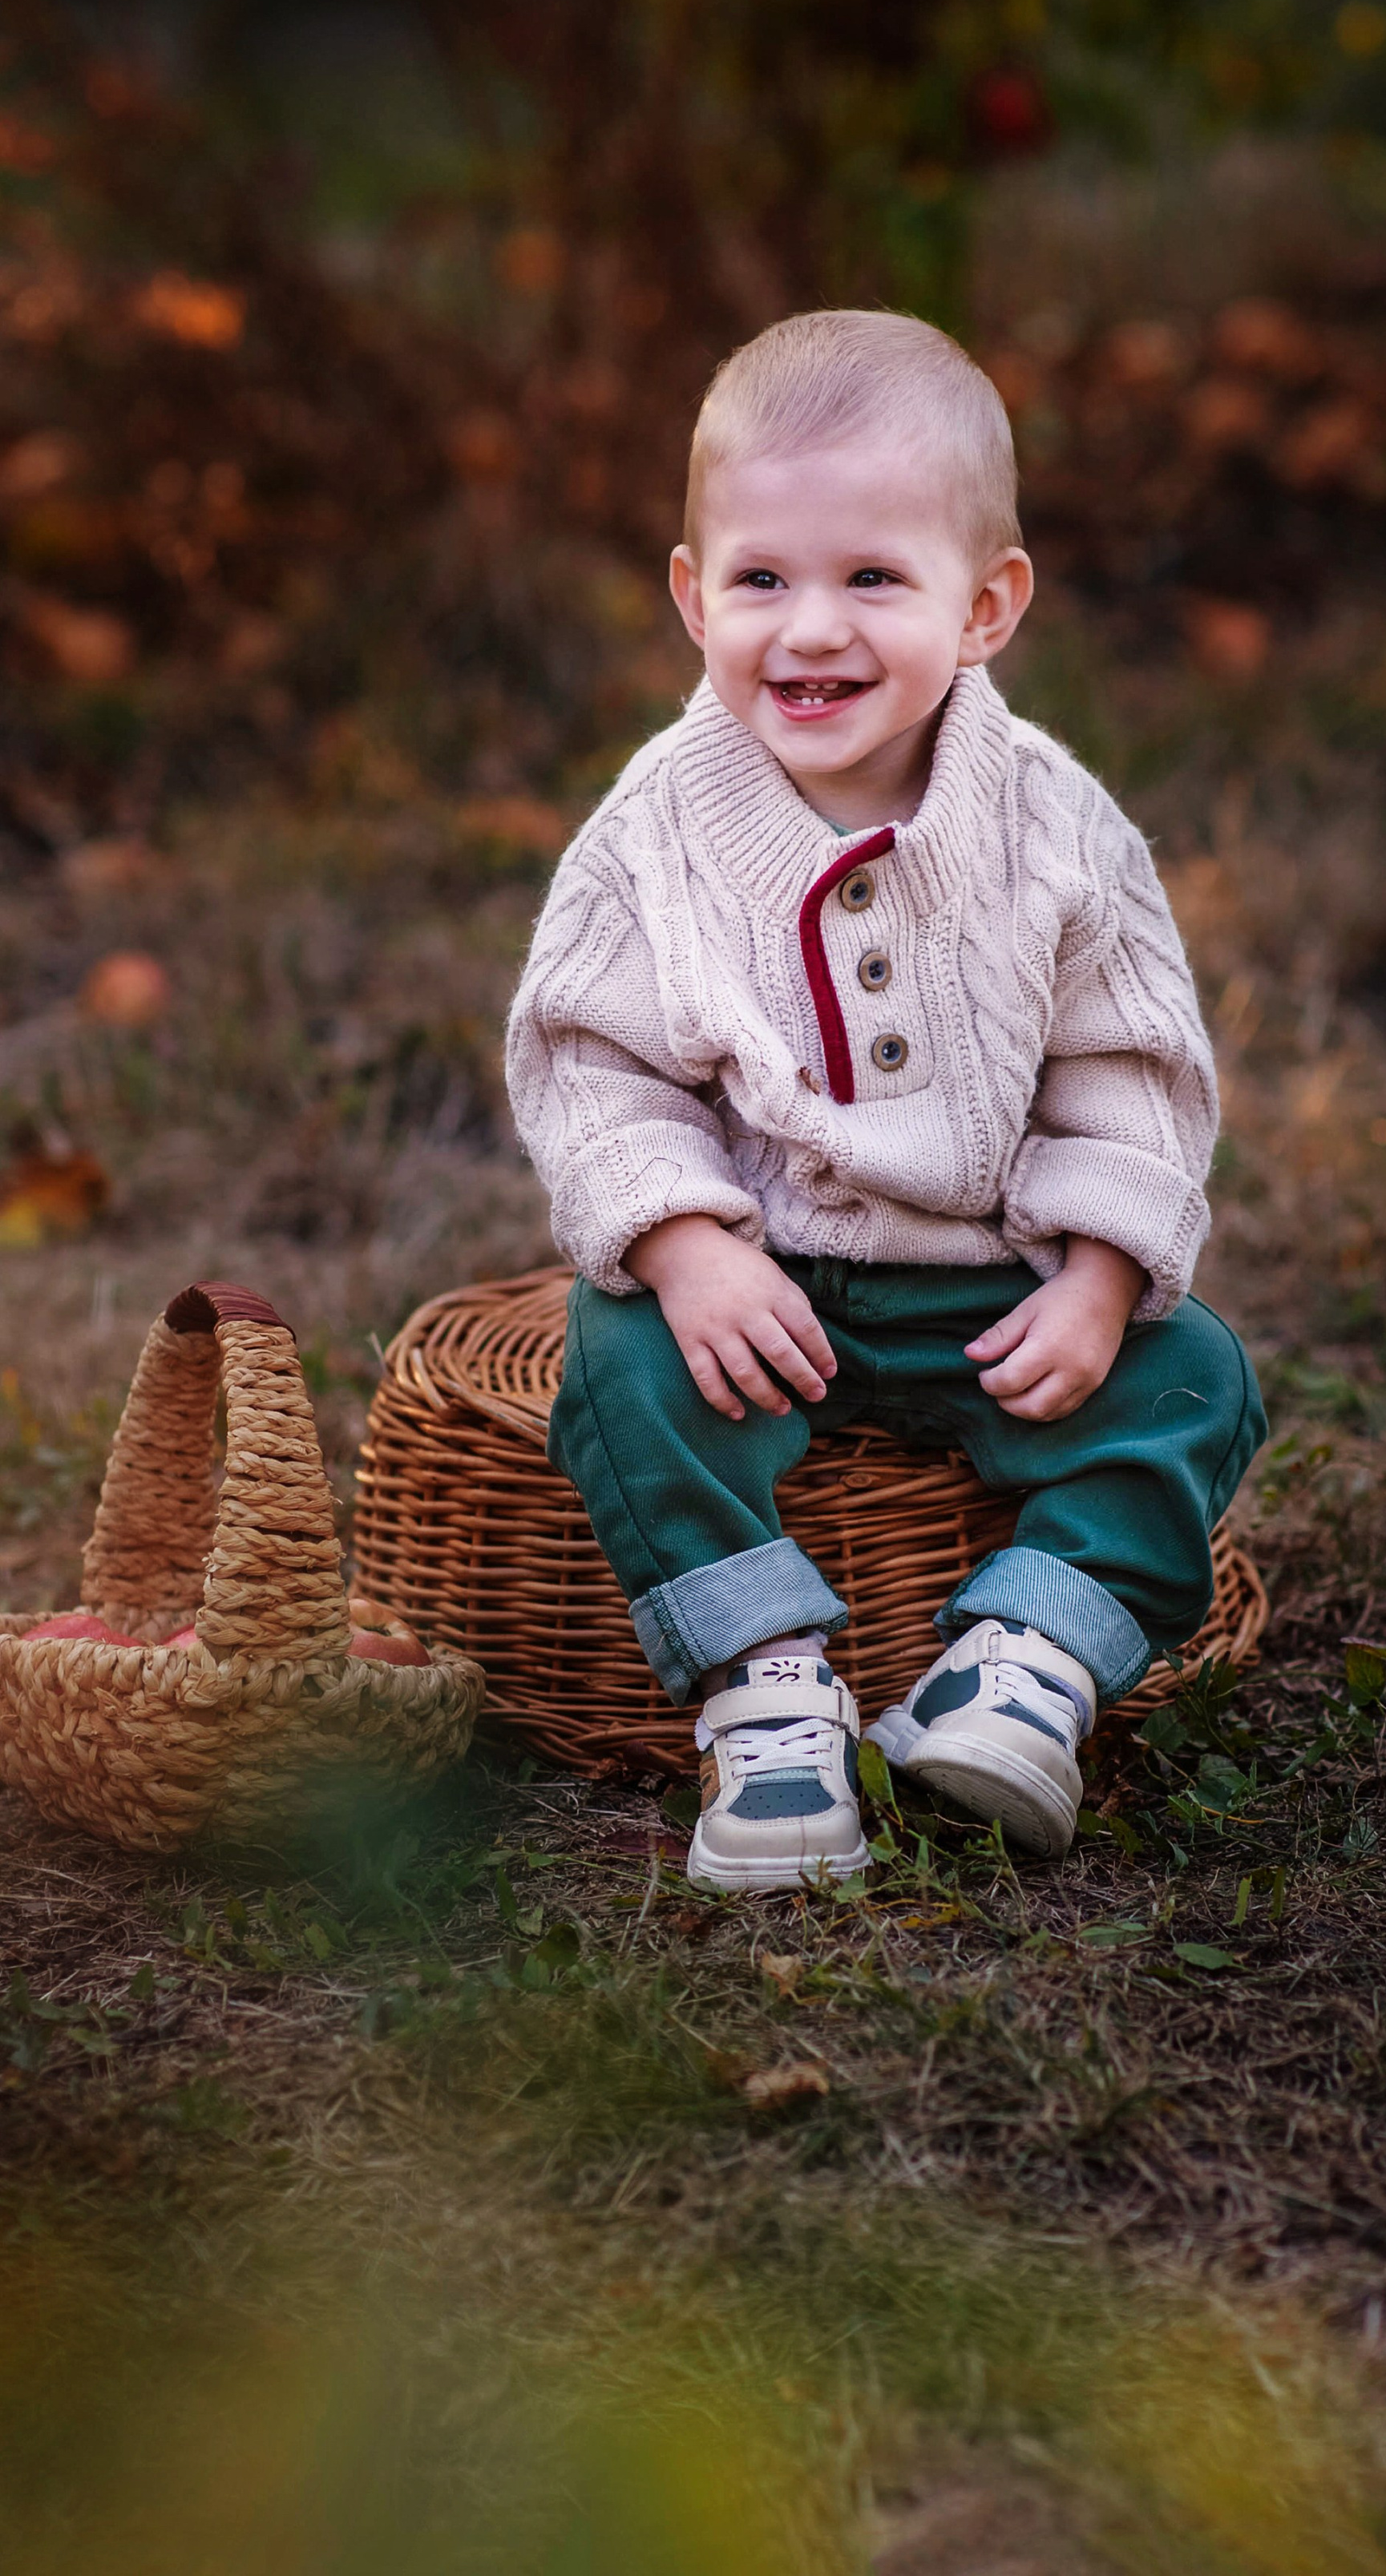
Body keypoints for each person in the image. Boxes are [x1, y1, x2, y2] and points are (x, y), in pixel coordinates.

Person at [506, 309, 1264, 1892]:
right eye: (761, 580)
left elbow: (1129, 1068)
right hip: (758, 1283)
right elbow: (590, 1063)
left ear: (984, 607)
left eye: (871, 578)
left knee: (1194, 1375)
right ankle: (765, 1690)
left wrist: (1098, 1277)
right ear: (690, 594)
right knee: (618, 1362)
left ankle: (1021, 1668)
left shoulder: (1055, 829)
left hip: (986, 1288)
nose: (810, 631)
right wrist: (686, 1248)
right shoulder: (651, 836)